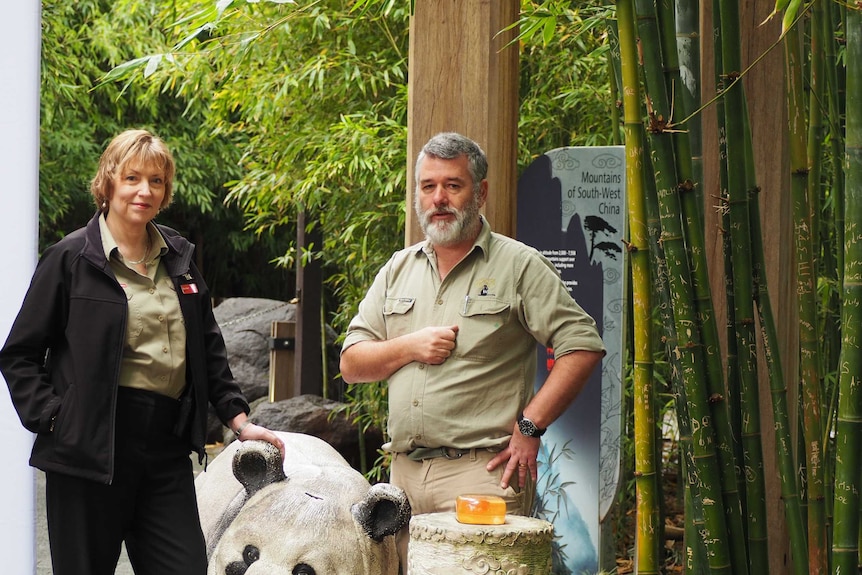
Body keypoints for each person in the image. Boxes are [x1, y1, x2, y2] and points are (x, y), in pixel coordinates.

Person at [0, 129, 286, 575]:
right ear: (108, 182)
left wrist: (239, 420)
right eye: (132, 178)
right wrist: (56, 417)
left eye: (156, 181)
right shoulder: (71, 258)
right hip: (88, 450)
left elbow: (207, 345)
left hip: (164, 448)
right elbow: (20, 354)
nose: (144, 191)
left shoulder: (178, 257)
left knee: (185, 566)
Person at [339, 131, 605, 564]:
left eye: (452, 185)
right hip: (402, 478)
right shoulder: (397, 269)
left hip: (480, 475)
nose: (439, 198)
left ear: (479, 192)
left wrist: (530, 427)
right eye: (428, 186)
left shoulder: (519, 265)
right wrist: (410, 346)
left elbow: (582, 347)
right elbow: (352, 363)